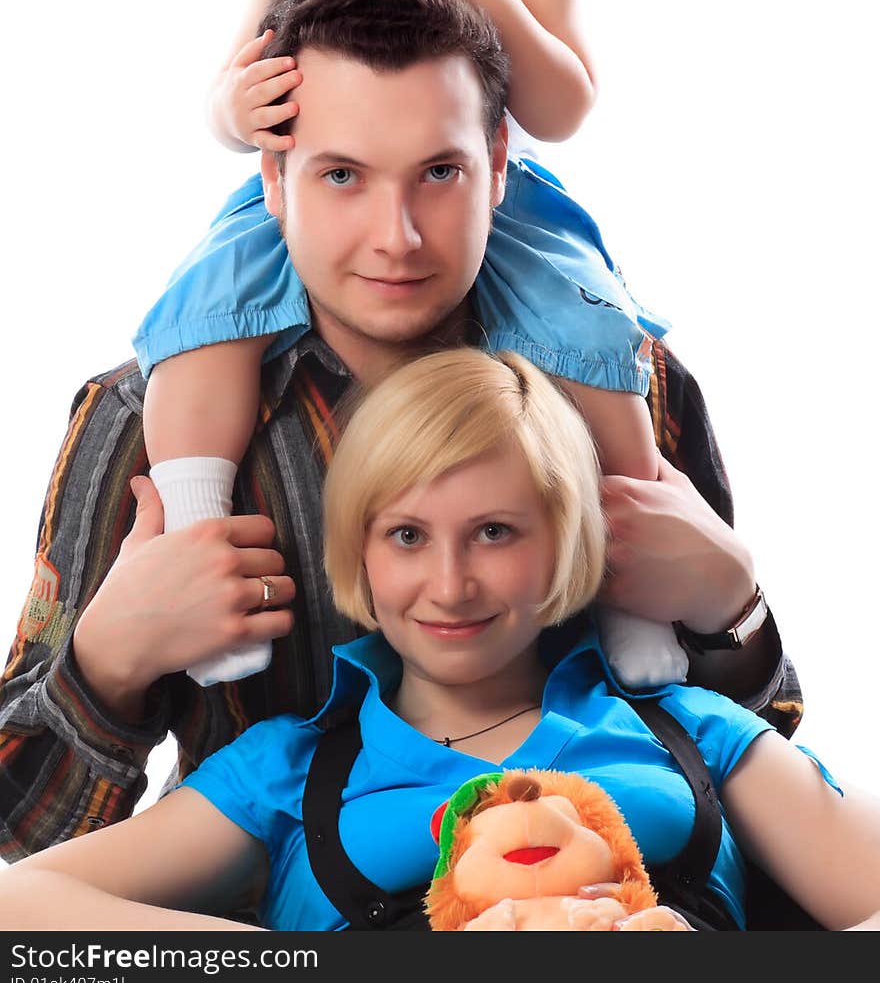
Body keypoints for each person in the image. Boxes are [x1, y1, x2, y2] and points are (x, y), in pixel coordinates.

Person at [0, 0, 796, 866]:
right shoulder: (146, 418)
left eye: (439, 173)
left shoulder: (626, 384)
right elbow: (22, 834)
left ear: (498, 164)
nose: (398, 236)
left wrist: (735, 610)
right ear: (273, 176)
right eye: (342, 174)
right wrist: (110, 661)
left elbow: (755, 784)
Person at [134, 0, 681, 691]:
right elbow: (229, 89)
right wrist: (234, 108)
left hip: (509, 201)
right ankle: (197, 532)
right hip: (296, 191)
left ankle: (636, 562)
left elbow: (563, 105)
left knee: (588, 321)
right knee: (199, 312)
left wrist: (491, 4)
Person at [0, 349, 875, 932]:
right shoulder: (289, 771)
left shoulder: (692, 733)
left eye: (495, 532)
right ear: (360, 557)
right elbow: (21, 906)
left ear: (567, 549)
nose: (450, 585)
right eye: (408, 537)